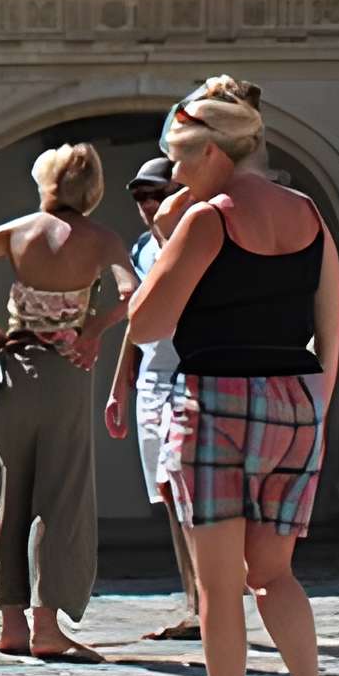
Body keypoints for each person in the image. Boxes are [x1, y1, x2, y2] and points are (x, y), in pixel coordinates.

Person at [117, 75, 339, 676]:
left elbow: (146, 321)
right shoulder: (308, 212)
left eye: (182, 159)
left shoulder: (206, 217)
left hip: (216, 401)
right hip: (298, 399)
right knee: (272, 573)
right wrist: (318, 410)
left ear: (215, 153)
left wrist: (167, 228)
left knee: (219, 588)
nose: (175, 175)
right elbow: (331, 321)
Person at [0, 140, 135, 661]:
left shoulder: (16, 232)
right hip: (66, 374)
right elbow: (136, 295)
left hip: (13, 371)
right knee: (59, 494)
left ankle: (12, 623)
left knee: (8, 493)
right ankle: (48, 625)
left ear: (46, 184)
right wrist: (94, 329)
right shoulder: (103, 239)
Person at [103, 154, 204, 642]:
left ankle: (211, 604)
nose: (146, 204)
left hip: (194, 372)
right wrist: (120, 382)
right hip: (153, 380)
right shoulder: (142, 248)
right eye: (140, 196)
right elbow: (135, 320)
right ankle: (194, 603)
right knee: (168, 494)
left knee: (189, 490)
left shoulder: (199, 241)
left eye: (156, 194)